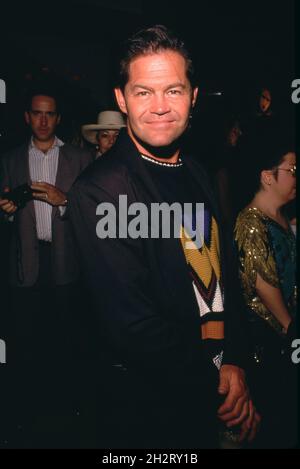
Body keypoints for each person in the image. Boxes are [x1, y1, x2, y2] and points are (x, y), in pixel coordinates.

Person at [68, 25, 260, 448]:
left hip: (216, 382)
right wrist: (219, 378)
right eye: (143, 92)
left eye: (173, 91)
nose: (159, 107)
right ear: (121, 100)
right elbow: (133, 327)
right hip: (151, 408)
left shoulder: (194, 171)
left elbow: (224, 271)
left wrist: (239, 362)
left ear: (193, 97)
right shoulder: (104, 189)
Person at [0, 87, 92, 447]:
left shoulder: (81, 159)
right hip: (25, 265)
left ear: (58, 118)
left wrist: (64, 200)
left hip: (66, 264)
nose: (42, 120)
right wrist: (5, 214)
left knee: (66, 345)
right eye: (36, 113)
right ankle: (28, 416)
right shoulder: (8, 160)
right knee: (26, 347)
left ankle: (69, 415)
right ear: (27, 117)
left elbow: (93, 216)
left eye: (49, 114)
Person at [234, 126, 297, 448]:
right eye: (291, 170)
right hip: (271, 343)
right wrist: (291, 329)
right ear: (267, 176)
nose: (296, 176)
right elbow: (264, 286)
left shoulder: (282, 218)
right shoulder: (251, 223)